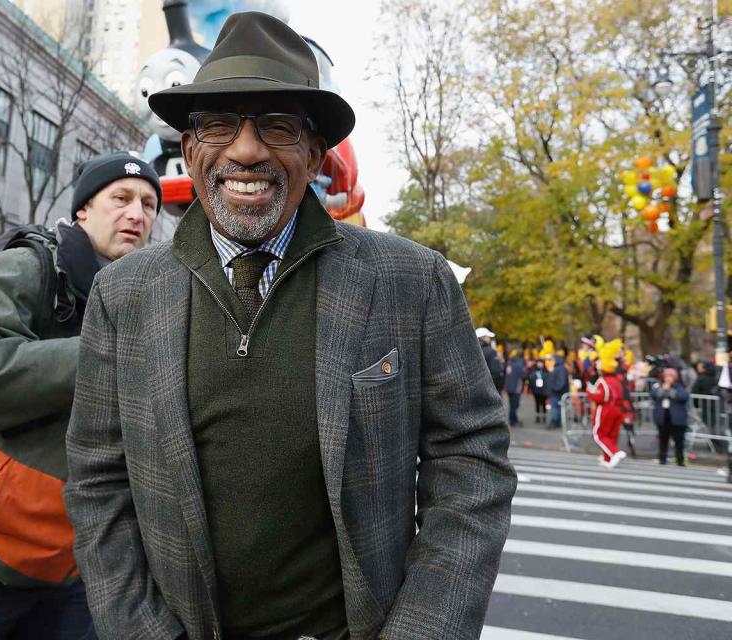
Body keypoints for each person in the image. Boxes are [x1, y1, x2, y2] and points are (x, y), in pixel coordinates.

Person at [65, 13, 517, 640]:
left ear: (312, 152)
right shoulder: (123, 294)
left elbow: (471, 463)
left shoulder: (413, 281)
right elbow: (97, 480)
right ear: (191, 149)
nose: (246, 149)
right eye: (220, 124)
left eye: (276, 125)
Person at [0, 152, 160, 639]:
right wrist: (103, 351)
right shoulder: (28, 265)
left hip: (79, 560)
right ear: (83, 210)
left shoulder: (149, 298)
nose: (137, 214)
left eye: (149, 205)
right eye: (122, 198)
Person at [586, 339, 627, 468]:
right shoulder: (617, 380)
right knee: (611, 435)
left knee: (599, 434)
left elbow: (601, 397)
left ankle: (614, 453)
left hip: (606, 409)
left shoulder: (603, 381)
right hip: (618, 410)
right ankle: (607, 458)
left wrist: (589, 392)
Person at [652, 368, 690, 466]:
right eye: (666, 376)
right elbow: (654, 395)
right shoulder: (659, 385)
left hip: (677, 418)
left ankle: (680, 460)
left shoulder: (679, 386)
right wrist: (663, 390)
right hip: (663, 417)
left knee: (679, 440)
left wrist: (670, 391)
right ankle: (662, 458)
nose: (668, 378)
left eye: (670, 376)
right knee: (663, 439)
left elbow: (683, 397)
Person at [477, 327, 505, 393]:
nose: (490, 339)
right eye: (488, 337)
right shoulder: (491, 351)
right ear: (483, 337)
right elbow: (496, 371)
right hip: (490, 387)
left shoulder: (472, 351)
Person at [546, 351, 570, 429]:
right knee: (557, 408)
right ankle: (557, 422)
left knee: (555, 408)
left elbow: (561, 382)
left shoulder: (560, 369)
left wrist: (555, 388)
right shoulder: (559, 368)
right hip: (558, 392)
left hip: (557, 393)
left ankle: (555, 422)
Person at [505, 349, 527, 427]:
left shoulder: (509, 363)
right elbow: (524, 374)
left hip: (509, 388)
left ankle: (513, 419)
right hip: (516, 389)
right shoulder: (519, 364)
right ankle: (513, 420)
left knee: (511, 405)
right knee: (514, 405)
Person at [529, 359, 549, 424]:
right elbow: (531, 381)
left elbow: (548, 381)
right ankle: (537, 417)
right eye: (539, 363)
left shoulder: (546, 372)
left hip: (544, 391)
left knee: (543, 404)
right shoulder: (534, 372)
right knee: (537, 404)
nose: (540, 364)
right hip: (536, 391)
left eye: (541, 363)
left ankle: (544, 417)